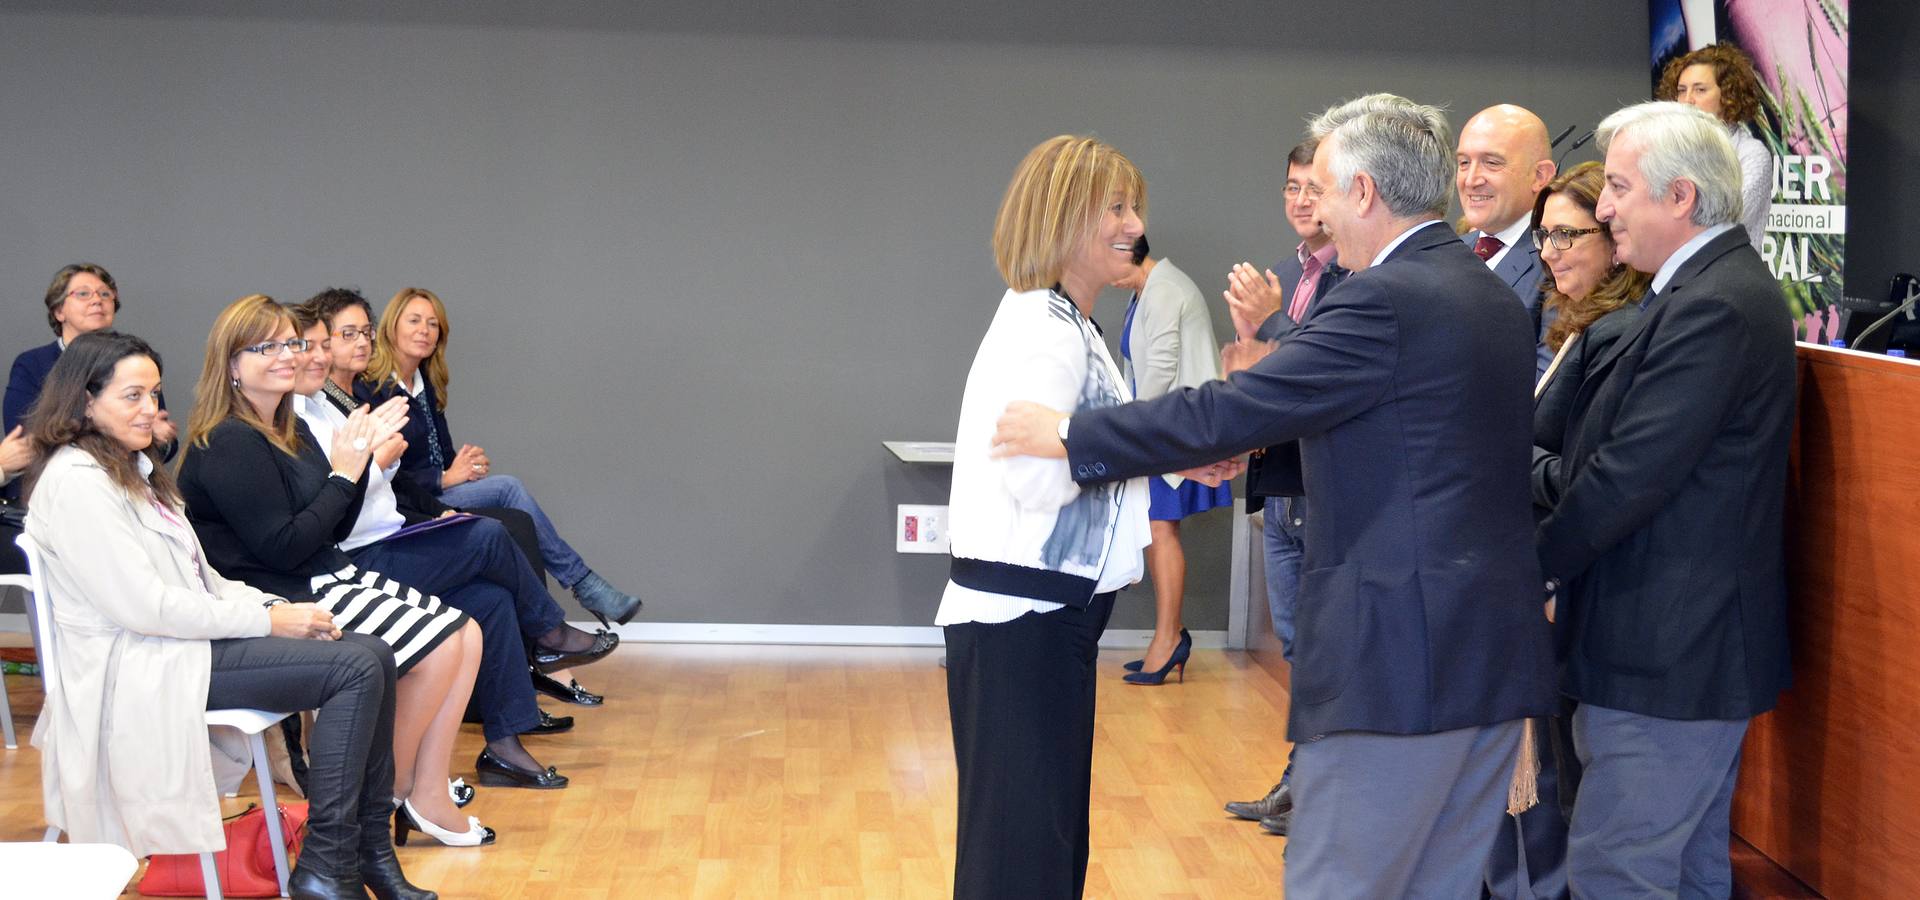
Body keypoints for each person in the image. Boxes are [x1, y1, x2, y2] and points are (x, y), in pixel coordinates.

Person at [992, 95, 1557, 896]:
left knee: (1337, 881)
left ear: (1362, 192)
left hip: (1399, 668)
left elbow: (1231, 405)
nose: (1313, 211)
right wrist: (1248, 455)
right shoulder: (1486, 292)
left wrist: (1074, 436)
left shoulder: (1383, 297)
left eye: (1322, 188)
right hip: (1487, 661)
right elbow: (1410, 438)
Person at [19, 330, 435, 900]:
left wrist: (275, 606)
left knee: (372, 652)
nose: (151, 410)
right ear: (85, 402)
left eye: (155, 395)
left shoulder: (128, 471)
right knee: (355, 668)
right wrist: (270, 623)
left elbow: (203, 579)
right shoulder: (76, 483)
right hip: (137, 666)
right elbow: (145, 609)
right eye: (133, 396)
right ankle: (329, 862)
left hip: (175, 647)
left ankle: (365, 852)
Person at [1535, 100, 1794, 898]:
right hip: (1674, 654)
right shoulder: (1703, 292)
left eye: (1617, 187)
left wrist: (1529, 568)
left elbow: (1624, 479)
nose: (1603, 208)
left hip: (1667, 656)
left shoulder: (1713, 304)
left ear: (1680, 197)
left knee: (1619, 870)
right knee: (1679, 874)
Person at [173, 295, 516, 843]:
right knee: (445, 643)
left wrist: (353, 469)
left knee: (469, 633)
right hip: (281, 594)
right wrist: (348, 471)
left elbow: (332, 527)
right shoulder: (229, 441)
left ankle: (423, 790)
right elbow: (283, 549)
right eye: (268, 347)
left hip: (324, 572)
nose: (288, 355)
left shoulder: (289, 427)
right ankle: (386, 798)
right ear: (232, 364)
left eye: (294, 343)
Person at [940, 134, 1155, 899]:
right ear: (1063, 223)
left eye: (1136, 207)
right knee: (1024, 854)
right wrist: (1095, 446)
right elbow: (1039, 482)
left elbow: (1080, 455)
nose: (1136, 225)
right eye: (1117, 208)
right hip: (1023, 621)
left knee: (1039, 840)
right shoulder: (1046, 332)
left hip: (1037, 620)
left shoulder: (1067, 325)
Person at [289, 302, 614, 795]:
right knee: (489, 532)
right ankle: (549, 634)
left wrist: (435, 512)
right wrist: (375, 463)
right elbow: (334, 511)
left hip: (389, 534)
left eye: (362, 332)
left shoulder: (338, 402)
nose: (354, 344)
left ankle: (504, 746)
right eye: (314, 342)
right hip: (354, 561)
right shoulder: (301, 418)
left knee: (492, 598)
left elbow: (392, 489)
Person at [356, 287, 642, 627]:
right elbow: (389, 474)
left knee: (513, 507)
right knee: (508, 489)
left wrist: (466, 465)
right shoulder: (370, 387)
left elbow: (443, 457)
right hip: (408, 503)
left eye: (433, 324)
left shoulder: (426, 382)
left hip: (437, 490)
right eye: (414, 320)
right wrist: (445, 478)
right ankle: (583, 586)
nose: (424, 330)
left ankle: (565, 607)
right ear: (391, 327)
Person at [1218, 137, 1350, 838]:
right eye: (1292, 187)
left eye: (1313, 187)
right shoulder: (1280, 272)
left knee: (1324, 646)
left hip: (1326, 487)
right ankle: (1303, 779)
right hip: (1281, 483)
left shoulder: (1355, 274)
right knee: (1298, 641)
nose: (1302, 200)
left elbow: (1324, 371)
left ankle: (1320, 789)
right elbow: (1261, 374)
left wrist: (1273, 325)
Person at [1110, 235, 1229, 685]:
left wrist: (1128, 431)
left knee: (1160, 531)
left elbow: (1159, 369)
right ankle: (1168, 635)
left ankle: (1167, 641)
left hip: (1176, 431)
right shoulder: (1148, 291)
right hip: (1163, 427)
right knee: (1156, 531)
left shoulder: (1164, 289)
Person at [5, 264, 179, 502]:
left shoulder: (134, 362)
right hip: (51, 494)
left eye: (105, 294)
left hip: (125, 488)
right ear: (59, 311)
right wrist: (125, 434)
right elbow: (28, 442)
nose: (97, 300)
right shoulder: (33, 363)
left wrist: (157, 439)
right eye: (83, 294)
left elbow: (153, 435)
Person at [1457, 105, 1558, 378]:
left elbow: (1543, 386)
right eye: (1464, 163)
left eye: (1492, 163)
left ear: (1540, 176)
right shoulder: (1448, 252)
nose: (1471, 180)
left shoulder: (1557, 261)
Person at [1659, 43, 1774, 248]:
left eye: (1700, 90)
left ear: (1728, 95)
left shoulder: (1751, 155)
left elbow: (1725, 226)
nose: (1687, 101)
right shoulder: (1669, 152)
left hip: (1730, 275)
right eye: (1681, 91)